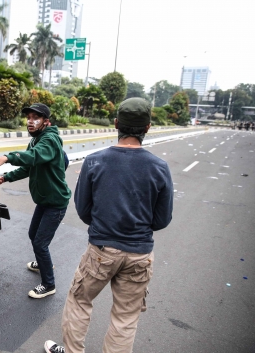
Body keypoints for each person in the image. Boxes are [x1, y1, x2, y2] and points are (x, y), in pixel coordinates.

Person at [44, 97, 173, 353]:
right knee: (126, 318)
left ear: (116, 124)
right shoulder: (160, 167)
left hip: (101, 251)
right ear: (148, 127)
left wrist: (105, 226)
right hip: (140, 254)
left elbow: (83, 209)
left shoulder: (94, 161)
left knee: (80, 300)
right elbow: (162, 219)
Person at [0, 103, 71, 299]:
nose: (30, 121)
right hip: (44, 200)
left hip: (56, 202)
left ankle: (49, 284)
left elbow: (33, 157)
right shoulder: (36, 140)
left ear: (46, 121)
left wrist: (7, 158)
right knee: (34, 234)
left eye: (36, 118)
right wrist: (5, 178)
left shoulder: (49, 140)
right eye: (29, 117)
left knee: (40, 243)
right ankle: (42, 263)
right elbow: (28, 166)